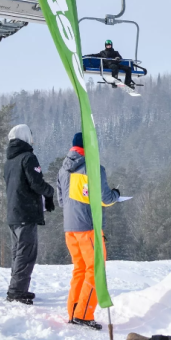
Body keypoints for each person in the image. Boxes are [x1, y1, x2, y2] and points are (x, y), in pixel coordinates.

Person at [57, 132, 121, 330]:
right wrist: (116, 194)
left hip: (70, 229)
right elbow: (106, 199)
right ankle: (84, 314)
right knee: (95, 269)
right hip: (88, 228)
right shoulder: (93, 168)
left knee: (80, 269)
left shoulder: (63, 169)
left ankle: (74, 311)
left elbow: (61, 201)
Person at [4, 124, 55, 305]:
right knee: (26, 254)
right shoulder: (28, 157)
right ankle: (17, 291)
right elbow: (36, 183)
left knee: (17, 253)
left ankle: (17, 288)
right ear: (25, 136)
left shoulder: (9, 161)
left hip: (13, 213)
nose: (32, 139)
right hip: (26, 212)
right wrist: (50, 192)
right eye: (30, 135)